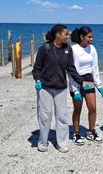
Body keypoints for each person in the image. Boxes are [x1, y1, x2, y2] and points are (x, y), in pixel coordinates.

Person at [32, 24, 84, 153]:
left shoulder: (68, 49)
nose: (68, 36)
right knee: (45, 115)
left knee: (62, 116)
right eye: (66, 34)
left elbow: (71, 68)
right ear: (58, 35)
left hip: (60, 88)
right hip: (44, 87)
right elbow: (37, 68)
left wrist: (82, 81)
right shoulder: (45, 48)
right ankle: (42, 142)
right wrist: (37, 79)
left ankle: (62, 143)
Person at [69, 26, 103, 145]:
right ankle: (76, 133)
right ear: (82, 37)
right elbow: (71, 70)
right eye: (89, 37)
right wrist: (75, 90)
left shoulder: (92, 49)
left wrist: (98, 84)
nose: (91, 39)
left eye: (92, 36)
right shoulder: (74, 49)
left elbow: (95, 67)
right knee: (77, 109)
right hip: (77, 80)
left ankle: (91, 131)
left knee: (93, 107)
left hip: (88, 80)